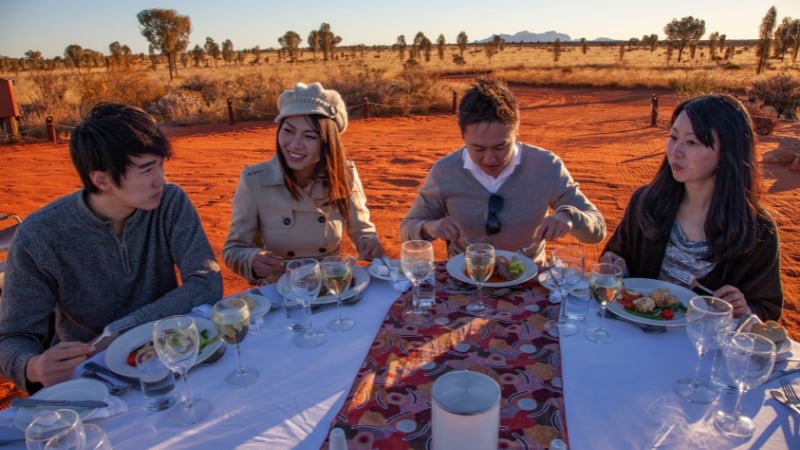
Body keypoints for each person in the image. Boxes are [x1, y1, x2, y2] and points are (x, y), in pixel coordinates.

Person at [0, 103, 223, 393]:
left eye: (160, 165)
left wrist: (121, 329)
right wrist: (33, 366)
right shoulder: (40, 235)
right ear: (101, 179)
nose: (161, 180)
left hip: (173, 356)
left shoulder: (169, 202)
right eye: (146, 170)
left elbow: (206, 281)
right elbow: (11, 337)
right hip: (92, 378)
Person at [600, 94, 783, 321]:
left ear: (727, 151)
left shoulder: (758, 230)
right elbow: (616, 260)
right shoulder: (646, 202)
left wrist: (744, 310)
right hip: (634, 337)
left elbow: (767, 311)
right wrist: (612, 266)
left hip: (700, 349)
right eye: (673, 137)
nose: (675, 151)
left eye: (691, 142)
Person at [399, 77, 606, 266]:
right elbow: (407, 229)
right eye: (477, 148)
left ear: (516, 132)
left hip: (528, 278)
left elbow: (597, 230)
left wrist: (570, 216)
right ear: (463, 137)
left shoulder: (547, 166)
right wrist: (431, 227)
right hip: (467, 277)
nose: (490, 159)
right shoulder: (445, 172)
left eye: (501, 147)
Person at [222, 82, 383, 283]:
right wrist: (251, 259)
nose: (295, 144)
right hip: (282, 290)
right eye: (288, 131)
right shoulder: (255, 181)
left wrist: (367, 241)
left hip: (333, 283)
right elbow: (233, 249)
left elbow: (362, 230)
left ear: (327, 143)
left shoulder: (345, 174)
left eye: (309, 136)